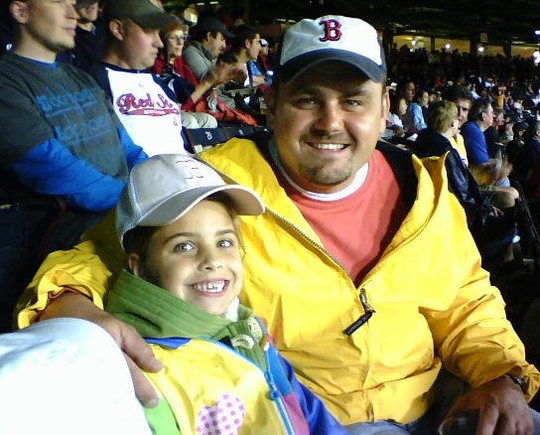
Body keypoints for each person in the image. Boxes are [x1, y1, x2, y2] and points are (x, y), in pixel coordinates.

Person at [17, 15, 540, 434]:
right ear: (271, 104)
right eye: (307, 99)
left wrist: (504, 376)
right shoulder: (216, 183)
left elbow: (465, 299)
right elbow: (96, 256)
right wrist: (67, 305)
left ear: (384, 109)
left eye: (353, 101)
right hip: (298, 415)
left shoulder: (426, 191)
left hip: (438, 405)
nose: (330, 122)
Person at [105, 153, 345, 434]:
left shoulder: (248, 330)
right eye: (184, 246)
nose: (213, 260)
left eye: (224, 242)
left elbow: (310, 413)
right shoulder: (145, 367)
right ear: (140, 268)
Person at [0, 0, 147, 331]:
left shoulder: (81, 78)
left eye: (73, 3)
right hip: (66, 238)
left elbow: (126, 147)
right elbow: (52, 167)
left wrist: (159, 182)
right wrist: (137, 202)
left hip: (120, 220)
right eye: (59, 2)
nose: (74, 13)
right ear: (21, 12)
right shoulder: (7, 81)